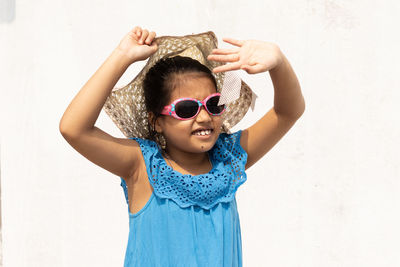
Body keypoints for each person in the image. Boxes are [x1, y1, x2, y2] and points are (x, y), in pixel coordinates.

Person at [59, 26, 305, 267]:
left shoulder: (228, 157)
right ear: (156, 122)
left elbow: (288, 112)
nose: (204, 117)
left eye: (213, 104)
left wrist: (279, 62)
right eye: (186, 109)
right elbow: (74, 129)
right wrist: (122, 56)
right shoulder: (142, 165)